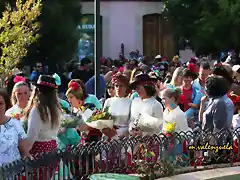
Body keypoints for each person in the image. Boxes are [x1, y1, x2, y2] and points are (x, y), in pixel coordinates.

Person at [0, 90, 29, 167]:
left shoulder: (15, 123)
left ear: (6, 105)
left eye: (1, 103)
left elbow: (24, 151)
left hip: (14, 172)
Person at [102, 73, 131, 140]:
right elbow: (102, 119)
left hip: (123, 138)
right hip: (108, 137)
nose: (118, 88)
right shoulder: (108, 101)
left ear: (126, 87)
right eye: (116, 86)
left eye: (121, 86)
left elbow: (132, 123)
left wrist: (118, 132)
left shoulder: (131, 103)